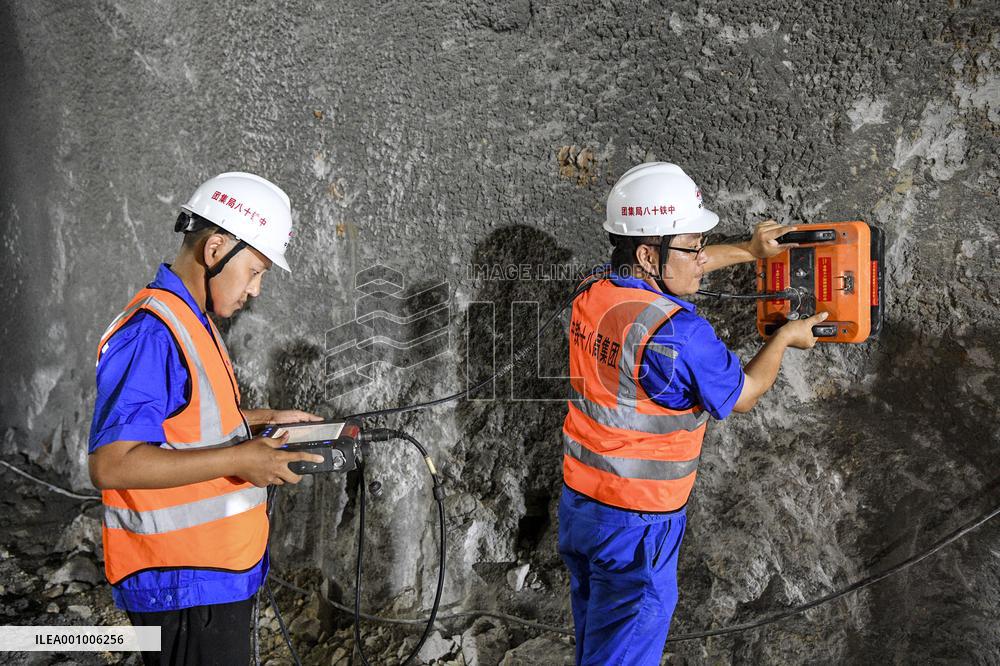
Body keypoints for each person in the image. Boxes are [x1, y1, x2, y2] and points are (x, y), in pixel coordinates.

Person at [558, 162, 829, 665]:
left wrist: (749, 252)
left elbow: (682, 267)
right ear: (647, 253)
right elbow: (743, 394)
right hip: (637, 527)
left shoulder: (594, 291)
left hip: (582, 507)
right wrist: (786, 339)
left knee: (600, 645)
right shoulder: (680, 337)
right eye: (692, 246)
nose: (703, 258)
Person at [87, 172, 327, 665]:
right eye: (256, 271)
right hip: (180, 584)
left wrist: (260, 422)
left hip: (210, 575)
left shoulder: (193, 320)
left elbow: (189, 422)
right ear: (216, 250)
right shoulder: (153, 332)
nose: (256, 290)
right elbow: (112, 464)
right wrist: (242, 456)